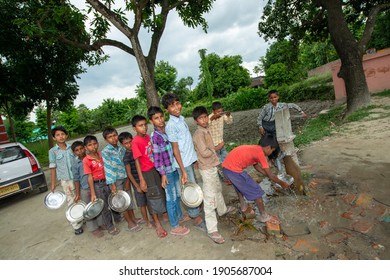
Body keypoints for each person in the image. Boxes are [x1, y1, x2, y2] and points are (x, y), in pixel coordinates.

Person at [162, 92, 207, 232]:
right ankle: (195, 217)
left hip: (189, 160)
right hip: (183, 164)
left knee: (193, 184)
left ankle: (196, 209)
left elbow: (186, 142)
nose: (176, 107)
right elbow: (175, 149)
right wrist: (182, 170)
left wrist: (194, 159)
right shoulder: (170, 126)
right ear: (167, 110)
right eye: (172, 105)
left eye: (177, 103)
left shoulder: (181, 119)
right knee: (189, 188)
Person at [222, 134, 291, 224]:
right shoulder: (261, 154)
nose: (271, 152)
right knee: (257, 192)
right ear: (268, 148)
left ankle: (243, 206)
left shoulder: (256, 148)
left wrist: (266, 174)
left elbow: (256, 166)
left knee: (239, 186)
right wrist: (282, 183)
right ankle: (264, 216)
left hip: (227, 168)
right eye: (272, 150)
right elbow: (271, 176)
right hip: (233, 170)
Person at [192, 106, 237, 244]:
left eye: (205, 117)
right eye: (201, 118)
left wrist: (213, 151)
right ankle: (212, 230)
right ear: (196, 121)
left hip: (211, 166)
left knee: (218, 188)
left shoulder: (205, 130)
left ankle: (222, 210)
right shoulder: (199, 134)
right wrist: (216, 148)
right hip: (206, 168)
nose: (204, 120)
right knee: (210, 197)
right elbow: (204, 152)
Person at [148, 106, 191, 236]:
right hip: (166, 172)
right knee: (170, 197)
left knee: (177, 194)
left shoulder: (167, 131)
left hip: (173, 168)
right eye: (156, 118)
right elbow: (157, 158)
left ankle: (179, 216)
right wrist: (162, 175)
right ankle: (174, 225)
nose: (160, 120)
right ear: (151, 121)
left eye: (161, 117)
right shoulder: (155, 136)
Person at [131, 115, 168, 238]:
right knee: (152, 197)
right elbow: (137, 161)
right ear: (134, 128)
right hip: (146, 173)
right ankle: (157, 223)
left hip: (156, 169)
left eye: (145, 124)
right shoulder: (135, 142)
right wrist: (141, 179)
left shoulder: (148, 137)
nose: (144, 127)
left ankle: (163, 213)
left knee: (160, 192)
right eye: (140, 126)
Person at [101, 127, 142, 232]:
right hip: (115, 180)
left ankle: (133, 218)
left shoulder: (122, 148)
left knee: (128, 198)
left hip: (125, 177)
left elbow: (126, 165)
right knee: (121, 202)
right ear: (106, 140)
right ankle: (129, 222)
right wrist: (113, 185)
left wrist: (128, 180)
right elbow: (108, 168)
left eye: (115, 135)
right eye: (110, 137)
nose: (113, 138)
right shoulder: (106, 152)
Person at [82, 135, 120, 236]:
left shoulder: (103, 154)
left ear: (98, 144)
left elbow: (109, 170)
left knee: (113, 200)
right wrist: (93, 193)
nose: (93, 146)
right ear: (86, 148)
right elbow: (89, 177)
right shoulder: (86, 160)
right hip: (98, 185)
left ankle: (118, 218)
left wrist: (112, 184)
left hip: (108, 181)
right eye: (90, 145)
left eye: (94, 144)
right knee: (104, 206)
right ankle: (110, 226)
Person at [48, 126, 83, 235]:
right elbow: (53, 167)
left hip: (77, 178)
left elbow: (79, 161)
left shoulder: (72, 148)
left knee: (81, 198)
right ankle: (76, 225)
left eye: (62, 134)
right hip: (66, 181)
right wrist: (53, 184)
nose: (61, 136)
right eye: (57, 135)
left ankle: (84, 217)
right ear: (54, 138)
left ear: (66, 135)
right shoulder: (53, 151)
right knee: (71, 200)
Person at [257, 89, 307, 159]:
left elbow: (292, 105)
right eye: (271, 98)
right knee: (265, 141)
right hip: (265, 125)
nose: (273, 99)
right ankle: (263, 156)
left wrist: (301, 112)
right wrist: (260, 127)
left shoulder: (282, 105)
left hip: (274, 125)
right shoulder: (266, 107)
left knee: (275, 141)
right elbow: (260, 118)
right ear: (269, 99)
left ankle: (275, 157)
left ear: (278, 97)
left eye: (275, 97)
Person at [119, 131, 153, 229]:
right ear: (122, 144)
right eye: (126, 143)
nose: (129, 145)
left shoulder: (137, 150)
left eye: (130, 141)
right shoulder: (126, 157)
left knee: (149, 199)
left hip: (145, 178)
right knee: (142, 203)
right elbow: (129, 173)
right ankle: (146, 221)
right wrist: (137, 186)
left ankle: (152, 217)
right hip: (137, 182)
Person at [71, 141, 104, 238]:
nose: (80, 151)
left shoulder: (90, 159)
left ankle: (101, 223)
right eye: (77, 150)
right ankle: (93, 228)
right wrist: (77, 194)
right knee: (88, 210)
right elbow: (76, 179)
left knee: (97, 205)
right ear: (74, 152)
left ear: (85, 148)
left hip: (95, 186)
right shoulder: (75, 164)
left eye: (81, 149)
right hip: (84, 188)